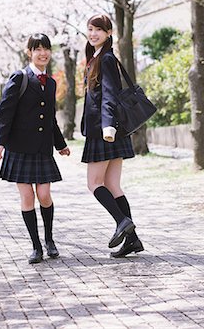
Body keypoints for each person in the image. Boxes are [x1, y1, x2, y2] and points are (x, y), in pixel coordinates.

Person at [0, 33, 70, 264]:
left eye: (46, 48)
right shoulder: (19, 77)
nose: (43, 53)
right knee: (27, 196)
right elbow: (5, 112)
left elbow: (50, 119)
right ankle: (36, 247)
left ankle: (49, 240)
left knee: (44, 195)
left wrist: (61, 144)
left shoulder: (52, 82)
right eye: (37, 49)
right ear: (29, 52)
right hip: (18, 148)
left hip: (42, 149)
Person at [81, 14, 144, 258]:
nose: (94, 33)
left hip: (104, 131)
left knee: (94, 183)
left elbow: (109, 94)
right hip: (110, 129)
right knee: (113, 185)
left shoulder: (105, 59)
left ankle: (122, 222)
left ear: (109, 33)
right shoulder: (97, 58)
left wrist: (108, 126)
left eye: (99, 29)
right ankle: (133, 240)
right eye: (90, 29)